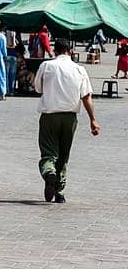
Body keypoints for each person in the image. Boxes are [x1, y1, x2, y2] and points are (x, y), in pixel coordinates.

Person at [34, 40, 99, 202]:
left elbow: (37, 88)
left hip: (50, 116)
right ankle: (59, 192)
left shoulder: (46, 66)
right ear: (70, 51)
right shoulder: (79, 69)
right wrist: (93, 120)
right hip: (70, 118)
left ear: (55, 51)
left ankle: (49, 173)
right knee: (63, 155)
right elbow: (86, 97)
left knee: (49, 153)